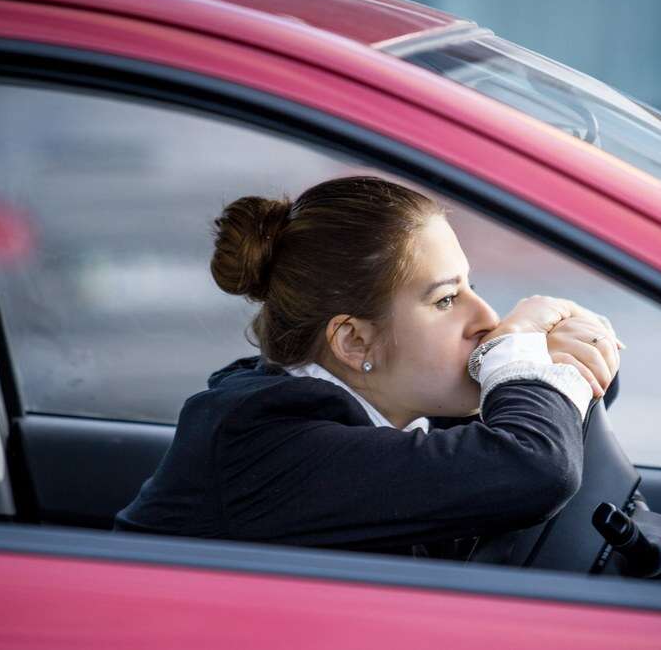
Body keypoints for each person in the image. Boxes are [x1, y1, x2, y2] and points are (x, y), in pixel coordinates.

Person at [115, 176, 621, 556]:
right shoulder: (269, 441)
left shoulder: (391, 405)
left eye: (471, 286)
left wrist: (561, 356)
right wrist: (520, 356)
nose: (486, 318)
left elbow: (543, 427)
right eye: (446, 300)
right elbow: (537, 467)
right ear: (355, 342)